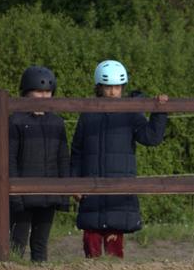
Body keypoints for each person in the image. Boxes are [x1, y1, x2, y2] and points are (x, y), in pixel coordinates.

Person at [72, 60, 169, 259]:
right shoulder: (87, 114)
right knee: (91, 235)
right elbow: (77, 150)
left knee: (115, 234)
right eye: (108, 87)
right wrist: (74, 182)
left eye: (117, 87)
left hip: (119, 186)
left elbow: (151, 138)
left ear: (122, 88)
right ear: (99, 87)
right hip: (91, 185)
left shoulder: (130, 114)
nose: (113, 92)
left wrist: (159, 112)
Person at [8, 65, 71, 263]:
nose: (43, 96)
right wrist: (14, 194)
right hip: (22, 195)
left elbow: (63, 158)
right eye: (38, 91)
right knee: (17, 242)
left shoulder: (57, 122)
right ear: (26, 92)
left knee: (40, 243)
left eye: (47, 92)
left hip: (49, 194)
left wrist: (64, 194)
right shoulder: (16, 121)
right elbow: (9, 159)